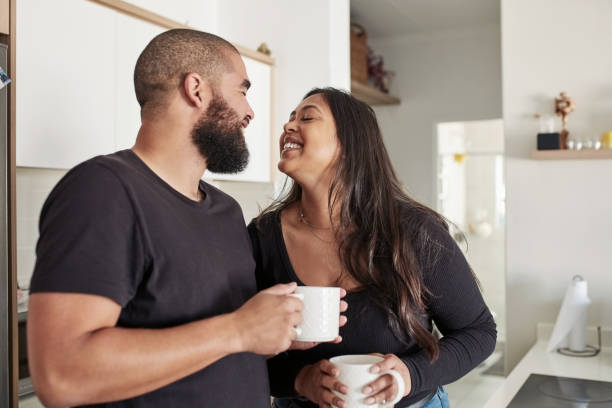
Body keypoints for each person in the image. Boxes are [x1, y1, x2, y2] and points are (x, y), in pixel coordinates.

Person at [27, 29, 305, 407]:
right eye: (242, 90)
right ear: (197, 89)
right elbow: (62, 374)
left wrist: (275, 334)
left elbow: (215, 345)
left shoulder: (227, 211)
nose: (249, 112)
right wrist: (239, 330)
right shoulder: (102, 191)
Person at [248, 88, 497, 408]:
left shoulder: (414, 232)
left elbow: (478, 332)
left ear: (350, 146)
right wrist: (300, 380)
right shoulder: (262, 237)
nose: (288, 126)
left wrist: (410, 374)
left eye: (306, 117)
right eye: (289, 119)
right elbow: (238, 347)